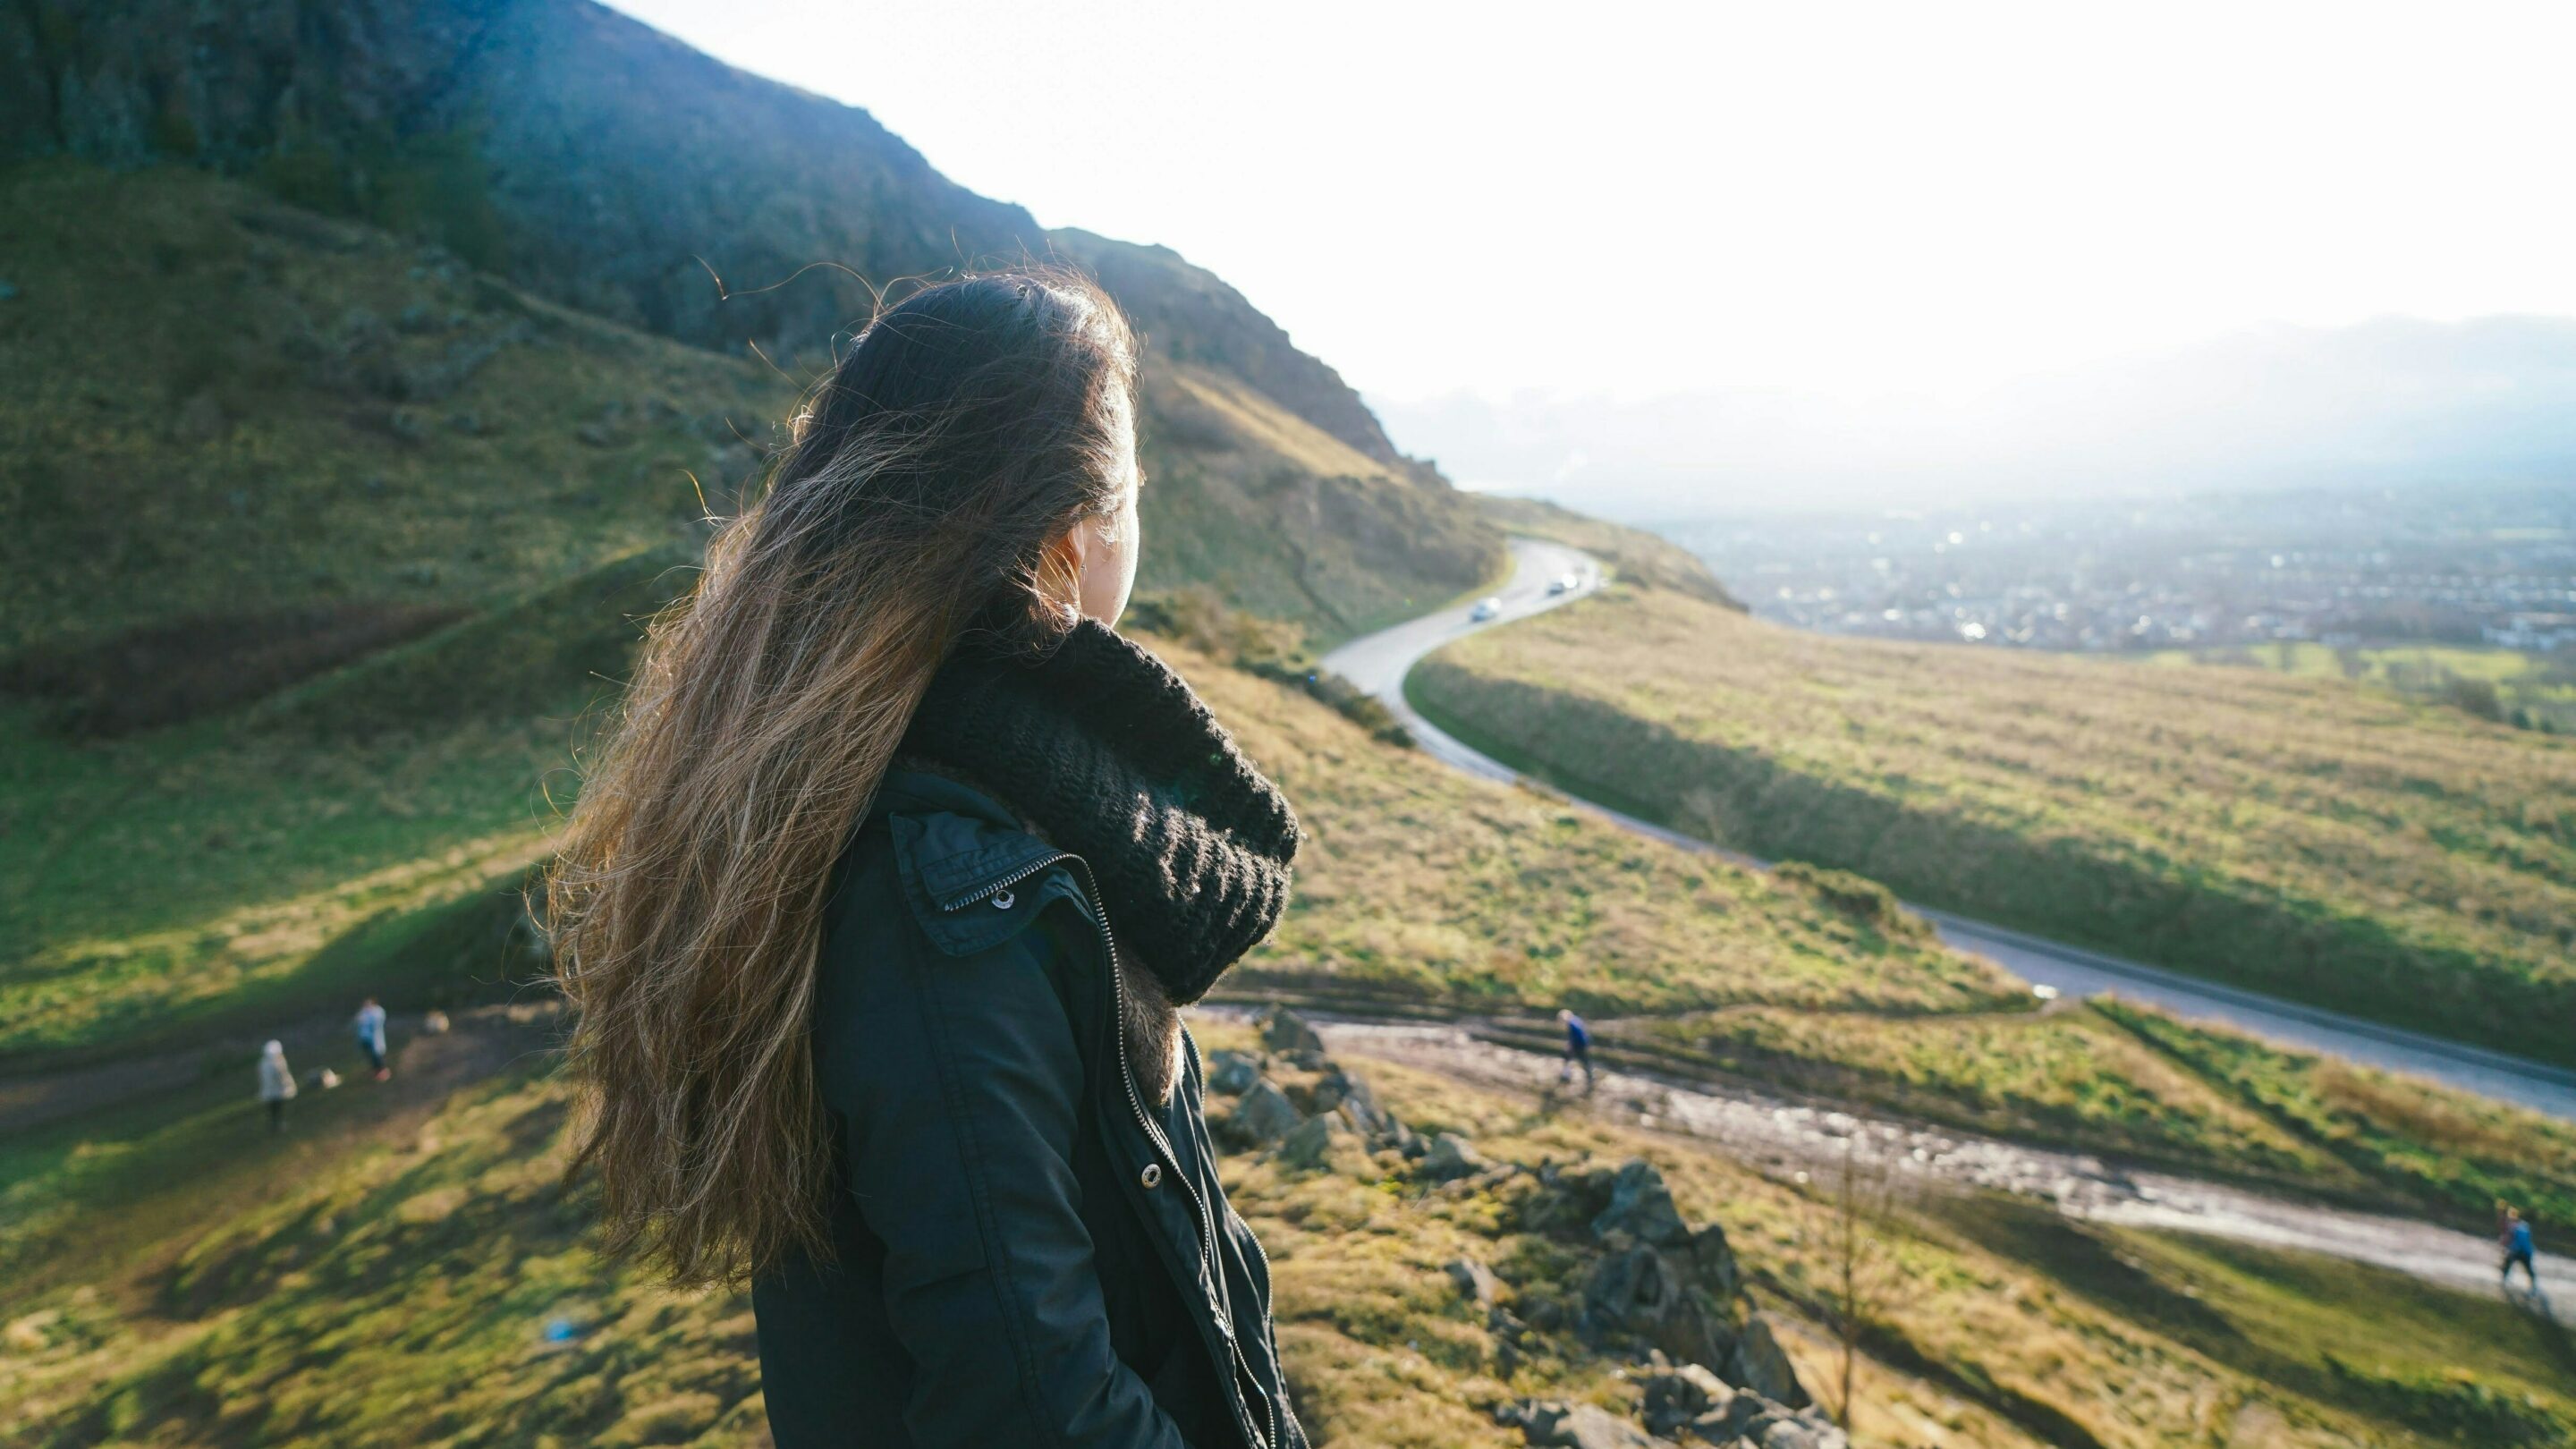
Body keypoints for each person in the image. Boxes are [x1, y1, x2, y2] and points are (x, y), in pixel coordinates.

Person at [545, 270, 1305, 1449]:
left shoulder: (951, 809)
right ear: (1072, 534)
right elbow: (1037, 1410)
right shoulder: (946, 897)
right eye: (1137, 482)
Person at [257, 1039, 297, 1132]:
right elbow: (282, 1076)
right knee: (278, 1109)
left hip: (268, 1092)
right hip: (277, 1091)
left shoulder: (263, 1063)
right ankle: (278, 1126)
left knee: (273, 1110)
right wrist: (288, 1085)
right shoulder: (277, 1063)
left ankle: (275, 1125)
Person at [2502, 1206, 2539, 1292]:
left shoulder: (2512, 1226)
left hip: (2517, 1251)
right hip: (2527, 1251)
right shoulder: (2525, 1225)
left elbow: (2509, 1239)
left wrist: (2505, 1248)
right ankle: (2534, 1285)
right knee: (2528, 1268)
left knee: (2507, 1263)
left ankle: (2504, 1279)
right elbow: (2527, 1239)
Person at [1559, 1008, 1597, 1089]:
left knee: (1581, 1060)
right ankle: (1567, 1074)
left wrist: (1570, 1045)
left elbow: (1575, 1037)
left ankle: (1568, 1074)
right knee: (1574, 1059)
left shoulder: (1572, 1024)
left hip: (1579, 1045)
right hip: (1583, 1043)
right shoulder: (1576, 1020)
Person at [354, 997, 390, 1080]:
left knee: (378, 1056)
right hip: (365, 1039)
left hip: (374, 1039)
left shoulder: (377, 1012)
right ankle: (377, 1072)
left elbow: (375, 1023)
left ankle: (384, 1072)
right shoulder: (363, 1013)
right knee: (370, 1056)